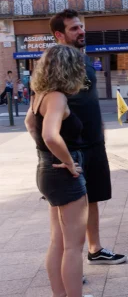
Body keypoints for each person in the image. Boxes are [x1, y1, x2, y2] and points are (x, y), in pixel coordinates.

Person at [25, 9, 127, 265]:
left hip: (94, 144)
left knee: (92, 197)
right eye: (74, 28)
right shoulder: (53, 67)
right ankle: (70, 265)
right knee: (67, 208)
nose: (81, 31)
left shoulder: (84, 61)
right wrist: (51, 154)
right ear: (59, 34)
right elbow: (32, 117)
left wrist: (100, 131)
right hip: (70, 150)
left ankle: (95, 249)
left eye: (81, 26)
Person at [26, 45, 88, 297]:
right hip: (62, 172)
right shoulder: (57, 97)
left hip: (47, 170)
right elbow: (50, 135)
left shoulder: (39, 94)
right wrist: (69, 162)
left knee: (58, 242)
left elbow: (30, 122)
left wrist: (45, 153)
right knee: (74, 247)